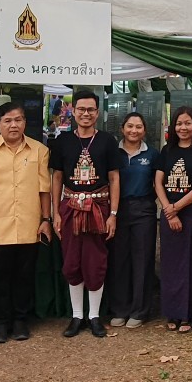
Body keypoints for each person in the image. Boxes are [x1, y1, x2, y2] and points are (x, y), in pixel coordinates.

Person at [0, 102, 52, 344]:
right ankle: (0, 322)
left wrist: (46, 220)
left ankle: (19, 320)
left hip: (29, 225)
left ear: (25, 122)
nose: (13, 125)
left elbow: (44, 190)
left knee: (24, 277)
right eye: (7, 120)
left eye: (18, 119)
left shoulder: (38, 150)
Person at [50, 90, 119, 338]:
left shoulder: (108, 141)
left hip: (98, 208)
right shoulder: (62, 142)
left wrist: (113, 213)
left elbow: (114, 177)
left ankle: (94, 316)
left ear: (97, 113)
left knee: (95, 261)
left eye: (91, 109)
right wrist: (55, 212)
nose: (86, 114)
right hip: (69, 208)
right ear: (74, 111)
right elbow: (57, 177)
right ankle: (77, 315)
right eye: (81, 109)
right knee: (72, 261)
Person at [154, 106, 192, 332]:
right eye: (179, 123)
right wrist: (168, 210)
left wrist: (176, 207)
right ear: (173, 126)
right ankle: (173, 311)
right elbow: (158, 182)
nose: (183, 127)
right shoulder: (166, 151)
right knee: (171, 264)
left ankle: (190, 313)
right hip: (170, 214)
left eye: (188, 123)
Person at [107, 112, 158, 329]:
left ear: (144, 130)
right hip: (117, 210)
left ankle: (139, 310)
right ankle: (120, 309)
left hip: (144, 210)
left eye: (138, 127)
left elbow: (159, 184)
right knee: (119, 260)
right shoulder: (112, 153)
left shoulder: (153, 155)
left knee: (142, 260)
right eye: (129, 126)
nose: (133, 131)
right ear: (122, 129)